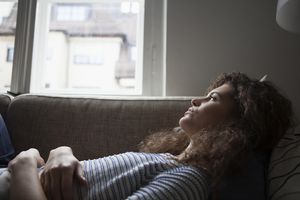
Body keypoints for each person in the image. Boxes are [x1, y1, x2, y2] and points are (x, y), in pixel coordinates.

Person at [3, 72, 296, 200]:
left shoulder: (189, 180)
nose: (196, 101)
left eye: (213, 99)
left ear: (237, 125)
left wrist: (25, 165)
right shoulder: (170, 164)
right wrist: (61, 151)